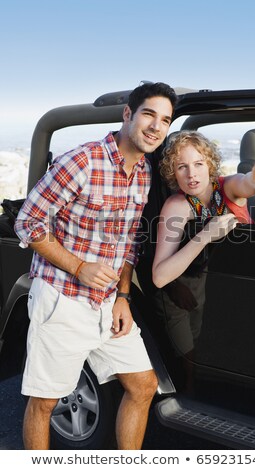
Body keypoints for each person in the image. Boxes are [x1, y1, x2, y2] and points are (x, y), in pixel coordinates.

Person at [14, 82, 178, 450]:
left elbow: (128, 241)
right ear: (128, 114)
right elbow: (27, 222)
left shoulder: (144, 173)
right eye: (148, 114)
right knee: (45, 402)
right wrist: (78, 267)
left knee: (143, 384)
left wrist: (122, 296)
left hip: (107, 304)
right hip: (63, 298)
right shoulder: (83, 161)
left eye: (164, 120)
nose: (156, 126)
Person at [152, 130, 255, 288]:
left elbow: (244, 183)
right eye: (182, 167)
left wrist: (253, 180)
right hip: (219, 284)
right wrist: (205, 236)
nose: (191, 174)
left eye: (198, 164)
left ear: (209, 165)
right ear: (173, 173)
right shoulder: (176, 205)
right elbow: (159, 278)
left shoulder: (227, 186)